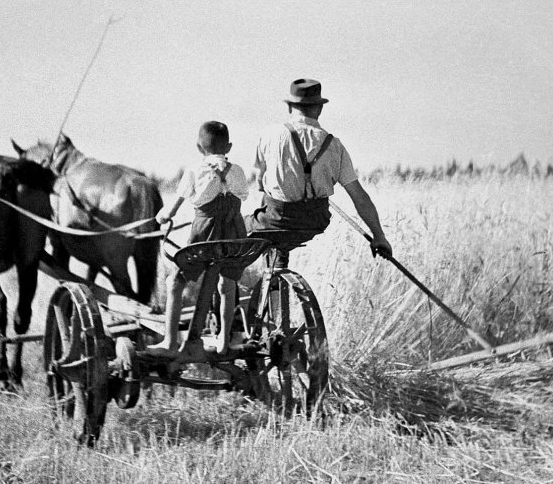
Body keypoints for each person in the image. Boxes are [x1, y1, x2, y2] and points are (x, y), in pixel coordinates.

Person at [247, 78, 392, 258]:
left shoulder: (271, 135)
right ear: (319, 108)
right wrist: (379, 236)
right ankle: (279, 268)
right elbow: (359, 196)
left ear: (290, 107)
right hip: (316, 221)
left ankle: (228, 283)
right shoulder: (335, 145)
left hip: (277, 219)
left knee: (236, 229)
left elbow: (260, 184)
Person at [149, 121, 250, 356]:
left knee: (174, 282)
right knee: (227, 284)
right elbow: (242, 196)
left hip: (205, 236)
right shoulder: (238, 171)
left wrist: (163, 217)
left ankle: (170, 342)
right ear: (230, 146)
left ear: (199, 147)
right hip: (233, 237)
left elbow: (172, 208)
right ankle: (225, 339)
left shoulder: (194, 171)